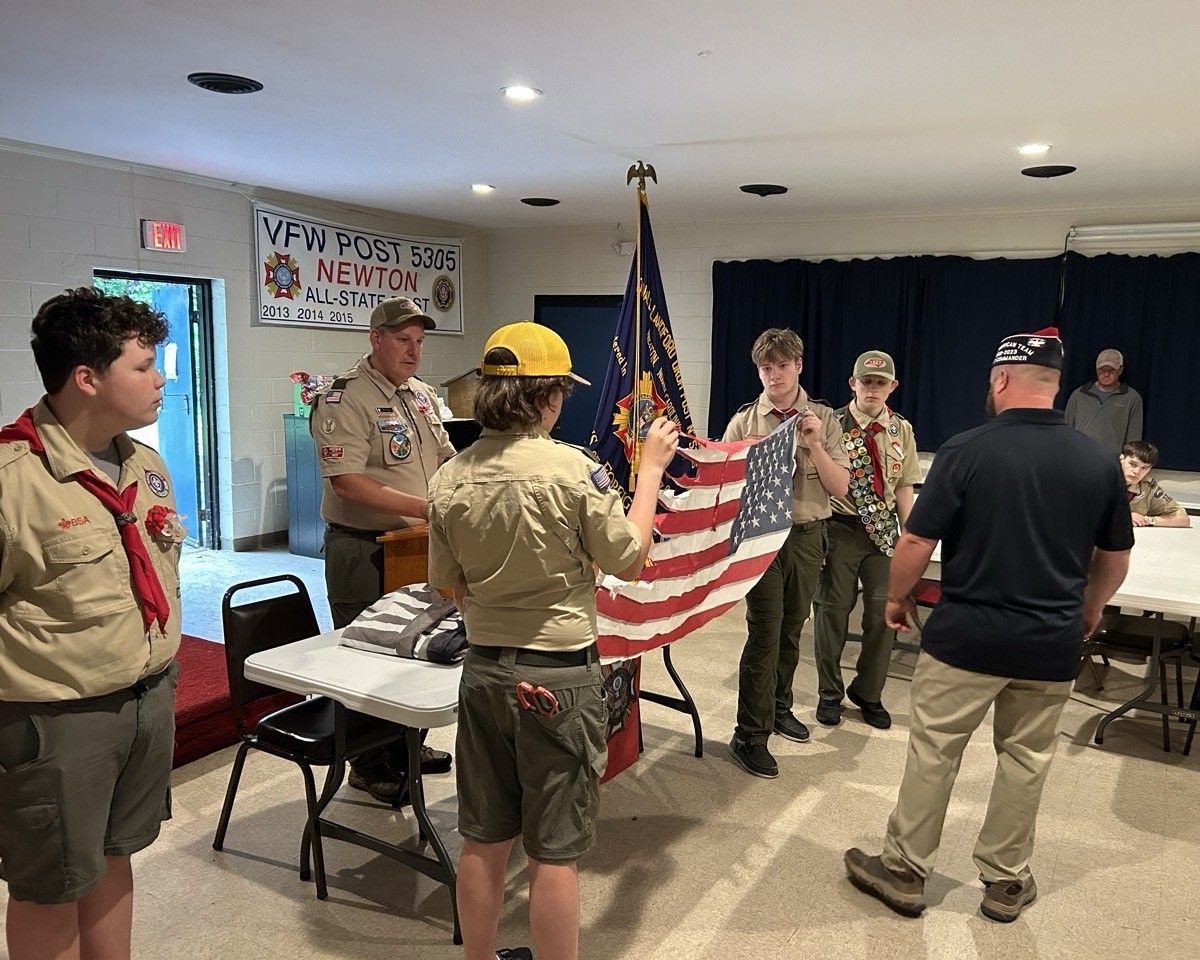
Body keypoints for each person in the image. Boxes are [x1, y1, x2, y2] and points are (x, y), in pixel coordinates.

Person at [844, 327, 1133, 923]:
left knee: (934, 751)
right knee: (1026, 758)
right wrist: (1091, 608)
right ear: (1054, 386)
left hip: (967, 638)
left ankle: (903, 871)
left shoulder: (965, 450)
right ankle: (1005, 882)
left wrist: (896, 599)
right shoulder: (1098, 461)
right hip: (1050, 642)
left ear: (1001, 379)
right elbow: (1115, 555)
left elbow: (919, 537)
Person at [426, 321, 678, 960]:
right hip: (557, 677)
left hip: (484, 672)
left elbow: (447, 583)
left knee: (484, 837)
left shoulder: (449, 478)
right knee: (553, 850)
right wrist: (648, 473)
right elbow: (628, 558)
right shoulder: (573, 472)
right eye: (561, 393)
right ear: (545, 398)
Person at [0, 288, 182, 960]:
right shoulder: (12, 479)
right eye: (143, 365)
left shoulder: (144, 464)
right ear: (87, 378)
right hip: (58, 721)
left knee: (113, 858)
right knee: (50, 886)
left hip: (147, 695)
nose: (159, 378)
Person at [311, 295, 455, 800]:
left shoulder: (418, 394)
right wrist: (425, 509)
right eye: (402, 341)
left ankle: (407, 744)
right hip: (364, 548)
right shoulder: (343, 397)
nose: (413, 352)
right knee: (366, 654)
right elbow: (347, 481)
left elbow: (446, 457)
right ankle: (370, 763)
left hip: (415, 546)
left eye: (419, 342)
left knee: (416, 647)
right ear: (376, 339)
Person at [722, 328, 851, 778]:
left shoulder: (824, 419)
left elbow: (840, 488)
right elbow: (727, 486)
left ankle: (778, 707)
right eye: (765, 367)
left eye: (781, 365)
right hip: (761, 538)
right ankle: (749, 734)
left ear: (798, 365)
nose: (773, 375)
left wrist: (814, 443)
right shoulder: (744, 421)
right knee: (765, 634)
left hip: (806, 536)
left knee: (793, 629)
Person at [812, 350, 920, 730]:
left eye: (880, 383)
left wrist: (912, 539)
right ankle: (829, 693)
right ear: (852, 383)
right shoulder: (831, 424)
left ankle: (869, 692)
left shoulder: (900, 430)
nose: (872, 389)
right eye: (866, 381)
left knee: (883, 613)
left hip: (883, 531)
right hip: (839, 527)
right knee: (832, 611)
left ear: (892, 387)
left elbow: (904, 485)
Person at [1064, 347, 1143, 456]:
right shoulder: (1079, 394)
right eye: (1102, 369)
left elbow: (1134, 438)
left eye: (1111, 370)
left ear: (1120, 370)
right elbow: (1066, 430)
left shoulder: (1132, 398)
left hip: (1112, 463)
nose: (1106, 374)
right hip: (1079, 459)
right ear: (1096, 369)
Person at [1119, 440, 1191, 527]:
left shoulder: (1148, 487)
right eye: (1132, 464)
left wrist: (1147, 520)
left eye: (1144, 467)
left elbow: (1183, 519)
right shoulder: (1102, 479)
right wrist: (1124, 517)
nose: (1137, 471)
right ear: (1121, 459)